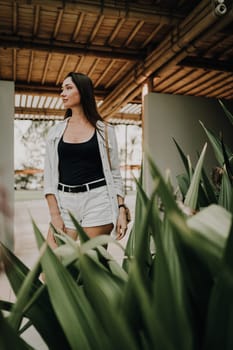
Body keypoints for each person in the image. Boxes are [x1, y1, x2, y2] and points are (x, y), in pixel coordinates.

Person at [44, 72, 128, 248]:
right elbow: (49, 178)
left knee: (92, 265)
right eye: (62, 89)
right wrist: (55, 215)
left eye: (68, 88)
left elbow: (115, 174)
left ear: (82, 91)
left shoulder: (105, 130)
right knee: (50, 268)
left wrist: (121, 210)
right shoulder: (55, 132)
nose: (62, 93)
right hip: (65, 201)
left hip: (98, 200)